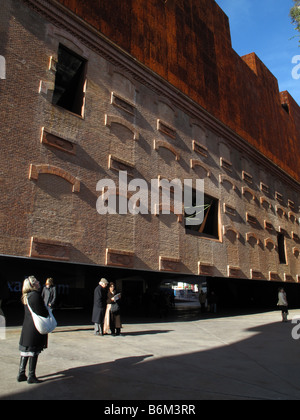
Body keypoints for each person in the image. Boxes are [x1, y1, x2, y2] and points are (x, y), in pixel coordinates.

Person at [18, 276, 49, 384]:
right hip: (34, 329)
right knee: (33, 352)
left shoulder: (26, 296)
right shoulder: (35, 296)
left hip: (27, 327)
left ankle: (21, 373)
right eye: (36, 281)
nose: (38, 282)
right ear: (32, 285)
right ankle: (31, 375)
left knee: (25, 351)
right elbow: (42, 312)